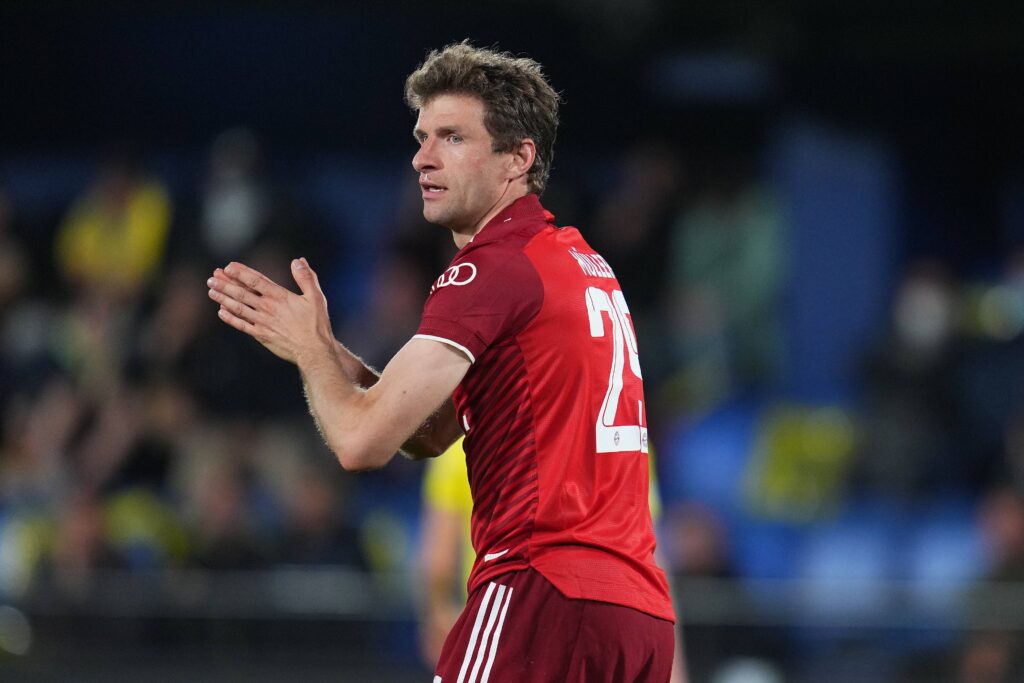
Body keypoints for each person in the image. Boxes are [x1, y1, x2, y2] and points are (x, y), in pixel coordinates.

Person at [207, 41, 676, 682]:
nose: (422, 158)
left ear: (519, 158)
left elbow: (360, 442)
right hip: (636, 615)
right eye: (422, 136)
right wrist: (326, 349)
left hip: (538, 591)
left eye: (452, 138)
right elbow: (428, 433)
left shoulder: (491, 269)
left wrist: (307, 351)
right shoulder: (577, 263)